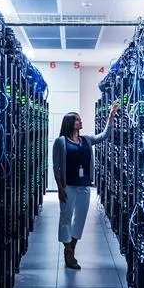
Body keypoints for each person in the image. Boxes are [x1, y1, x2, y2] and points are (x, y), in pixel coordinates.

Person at [52, 102, 120, 269]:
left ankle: (72, 249)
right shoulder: (60, 142)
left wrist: (111, 116)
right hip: (68, 186)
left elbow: (104, 136)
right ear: (70, 123)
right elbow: (56, 166)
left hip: (84, 186)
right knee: (65, 218)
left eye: (80, 119)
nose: (80, 122)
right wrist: (60, 188)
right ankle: (68, 252)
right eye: (77, 120)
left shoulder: (86, 140)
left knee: (80, 219)